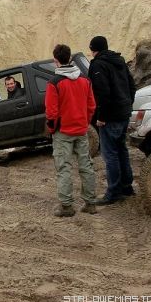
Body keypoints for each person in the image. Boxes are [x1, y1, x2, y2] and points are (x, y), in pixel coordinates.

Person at [45, 44, 97, 217]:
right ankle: (90, 203)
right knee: (86, 166)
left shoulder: (54, 83)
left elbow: (51, 112)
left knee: (64, 168)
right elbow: (91, 106)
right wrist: (84, 122)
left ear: (56, 60)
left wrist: (52, 129)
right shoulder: (85, 80)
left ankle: (67, 206)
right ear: (70, 58)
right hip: (81, 130)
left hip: (63, 132)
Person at [88, 35, 137, 205]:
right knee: (121, 150)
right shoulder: (119, 61)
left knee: (110, 154)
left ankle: (114, 192)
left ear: (93, 49)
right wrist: (128, 105)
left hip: (110, 117)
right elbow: (132, 85)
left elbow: (102, 93)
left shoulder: (98, 65)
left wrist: (101, 117)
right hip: (123, 113)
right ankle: (127, 187)